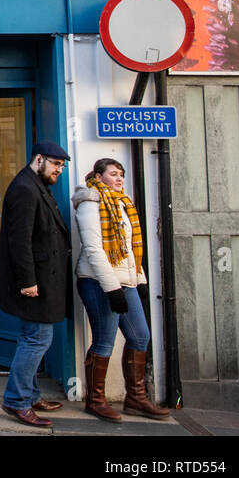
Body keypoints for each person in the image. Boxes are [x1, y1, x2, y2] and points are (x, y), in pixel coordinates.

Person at [73, 157, 171, 421]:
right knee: (104, 341)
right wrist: (112, 289)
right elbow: (93, 249)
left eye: (122, 174)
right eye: (113, 174)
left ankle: (136, 399)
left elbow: (129, 249)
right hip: (98, 281)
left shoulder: (122, 204)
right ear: (98, 175)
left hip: (125, 281)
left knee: (140, 336)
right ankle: (95, 401)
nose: (119, 179)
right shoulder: (90, 202)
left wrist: (139, 281)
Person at [0, 141, 73, 428]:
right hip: (35, 280)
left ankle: (32, 394)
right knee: (37, 340)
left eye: (62, 166)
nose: (58, 170)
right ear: (38, 159)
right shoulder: (25, 188)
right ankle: (17, 400)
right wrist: (27, 281)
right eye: (55, 164)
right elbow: (19, 240)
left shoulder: (36, 185)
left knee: (34, 338)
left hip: (44, 277)